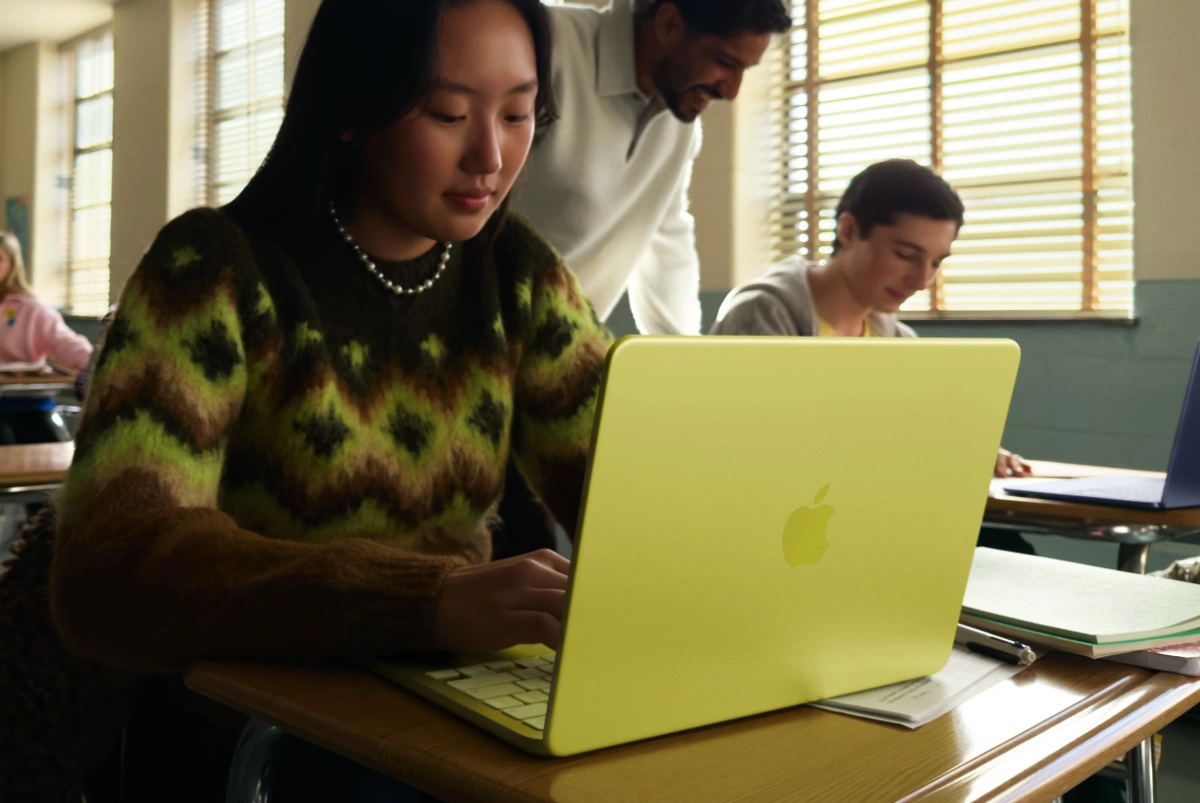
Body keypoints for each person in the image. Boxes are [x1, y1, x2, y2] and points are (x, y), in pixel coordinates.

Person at [49, 0, 610, 799]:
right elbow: (112, 569)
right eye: (448, 113)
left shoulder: (515, 270)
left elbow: (622, 487)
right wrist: (420, 601)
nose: (491, 155)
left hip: (451, 707)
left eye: (519, 114)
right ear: (352, 109)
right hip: (255, 736)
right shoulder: (212, 270)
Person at [710, 159, 1032, 482]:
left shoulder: (900, 343)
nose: (922, 281)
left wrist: (969, 449)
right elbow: (763, 457)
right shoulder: (760, 317)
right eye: (905, 255)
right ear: (848, 231)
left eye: (935, 262)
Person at [513, 0, 792, 335]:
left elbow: (667, 241)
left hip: (558, 347)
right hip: (471, 333)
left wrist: (681, 356)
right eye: (724, 62)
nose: (731, 91)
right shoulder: (546, 45)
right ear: (669, 24)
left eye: (745, 69)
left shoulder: (679, 125)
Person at [0, 231, 92, 444]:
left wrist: (98, 363)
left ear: (12, 265)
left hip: (30, 405)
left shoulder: (32, 310)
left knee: (54, 446)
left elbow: (66, 344)